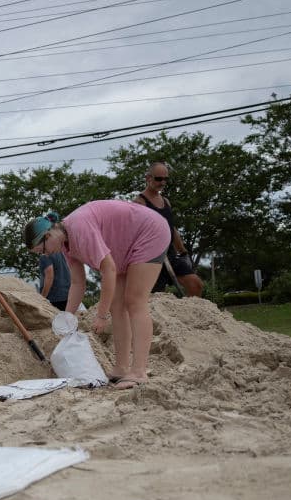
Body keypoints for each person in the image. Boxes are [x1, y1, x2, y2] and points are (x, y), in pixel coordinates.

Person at [22, 202, 170, 389]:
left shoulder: (79, 228)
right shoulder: (65, 244)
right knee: (118, 305)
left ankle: (139, 371)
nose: (45, 255)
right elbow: (77, 283)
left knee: (134, 301)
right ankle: (122, 368)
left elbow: (108, 270)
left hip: (149, 232)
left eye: (42, 250)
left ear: (48, 235)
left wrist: (101, 315)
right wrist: (67, 316)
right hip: (124, 248)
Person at [133, 162, 204, 297]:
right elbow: (135, 235)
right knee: (156, 298)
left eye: (166, 179)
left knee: (196, 284)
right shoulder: (139, 203)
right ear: (148, 178)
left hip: (170, 254)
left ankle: (189, 317)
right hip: (152, 258)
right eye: (159, 179)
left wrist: (183, 253)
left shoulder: (165, 201)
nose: (163, 182)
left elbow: (172, 228)